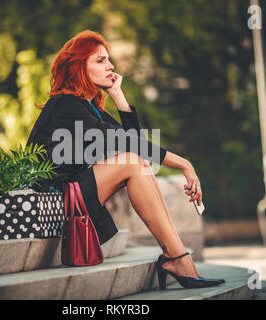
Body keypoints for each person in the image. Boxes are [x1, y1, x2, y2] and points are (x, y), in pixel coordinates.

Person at [26, 30, 225, 289]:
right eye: (100, 60)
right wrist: (184, 164)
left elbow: (134, 140)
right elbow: (129, 143)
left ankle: (178, 257)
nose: (110, 66)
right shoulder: (65, 105)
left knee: (138, 164)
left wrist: (118, 94)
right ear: (78, 66)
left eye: (109, 60)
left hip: (70, 194)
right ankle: (177, 259)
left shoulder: (87, 107)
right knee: (132, 162)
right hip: (52, 199)